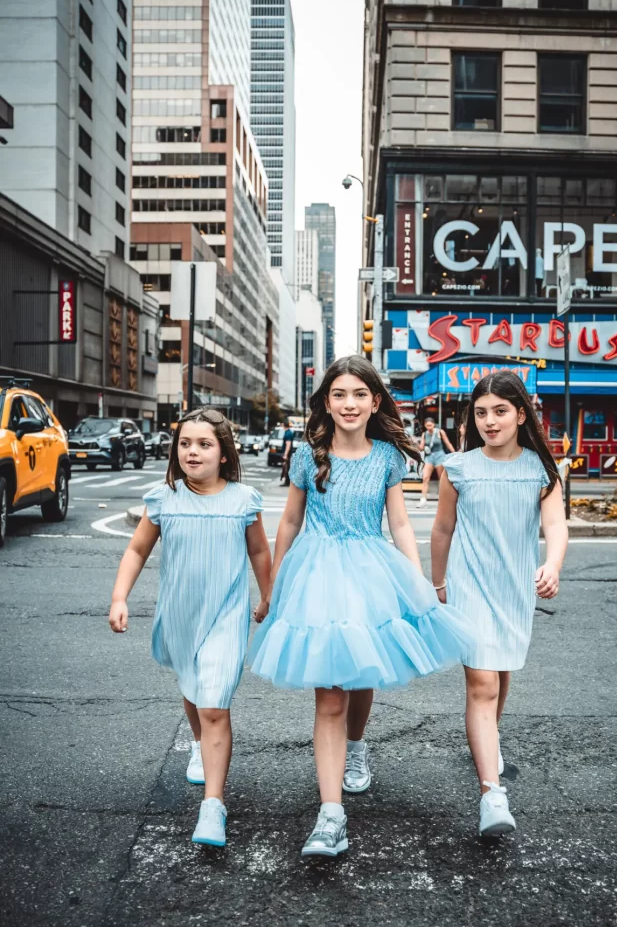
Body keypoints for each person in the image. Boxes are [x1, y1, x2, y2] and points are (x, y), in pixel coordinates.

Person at [248, 356, 466, 859]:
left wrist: (419, 580)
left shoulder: (388, 458)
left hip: (371, 569)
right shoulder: (307, 455)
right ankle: (331, 816)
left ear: (375, 402)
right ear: (327, 401)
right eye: (339, 394)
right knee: (329, 695)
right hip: (316, 574)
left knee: (362, 671)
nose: (349, 403)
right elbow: (289, 524)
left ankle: (357, 745)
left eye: (359, 394)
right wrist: (275, 583)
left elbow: (402, 524)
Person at [109, 409, 271, 847]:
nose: (192, 451)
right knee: (192, 687)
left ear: (223, 453)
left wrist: (268, 595)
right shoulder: (165, 499)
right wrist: (120, 597)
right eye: (185, 443)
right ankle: (200, 744)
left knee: (214, 703)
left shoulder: (243, 500)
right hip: (180, 614)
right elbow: (137, 550)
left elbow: (258, 553)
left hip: (226, 615)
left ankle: (213, 807)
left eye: (204, 444)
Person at [431, 371, 568, 838]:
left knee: (501, 673)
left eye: (501, 411)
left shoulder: (541, 471)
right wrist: (438, 581)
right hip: (469, 584)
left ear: (520, 414)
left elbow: (557, 526)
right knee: (483, 683)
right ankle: (492, 793)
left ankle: (488, 739)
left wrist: (552, 564)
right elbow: (443, 529)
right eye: (482, 412)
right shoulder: (460, 467)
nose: (490, 421)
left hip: (514, 588)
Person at [417, 417, 455, 508]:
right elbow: (421, 448)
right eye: (427, 425)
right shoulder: (424, 434)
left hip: (439, 456)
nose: (429, 427)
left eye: (430, 425)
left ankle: (444, 499)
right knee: (425, 477)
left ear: (434, 424)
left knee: (441, 478)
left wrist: (455, 454)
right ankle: (423, 499)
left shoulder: (439, 432)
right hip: (429, 457)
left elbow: (447, 443)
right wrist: (417, 444)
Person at [279, 422, 295, 486]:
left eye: (282, 424)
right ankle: (286, 481)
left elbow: (288, 444)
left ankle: (287, 482)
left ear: (284, 425)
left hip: (287, 453)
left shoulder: (288, 433)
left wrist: (285, 454)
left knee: (286, 468)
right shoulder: (289, 432)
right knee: (286, 467)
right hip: (288, 453)